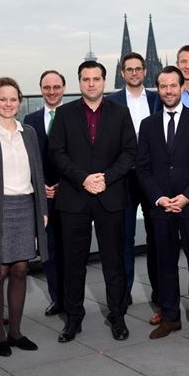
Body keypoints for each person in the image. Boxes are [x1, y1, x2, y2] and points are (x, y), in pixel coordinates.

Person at [49, 60, 137, 343]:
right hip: (74, 198)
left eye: (96, 79)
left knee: (114, 263)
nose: (91, 83)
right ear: (79, 82)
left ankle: (118, 317)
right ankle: (73, 319)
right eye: (85, 79)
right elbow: (57, 152)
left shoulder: (120, 113)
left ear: (104, 81)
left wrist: (106, 178)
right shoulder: (64, 113)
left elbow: (130, 152)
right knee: (73, 263)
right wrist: (83, 179)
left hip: (110, 197)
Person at [0, 77, 48, 357]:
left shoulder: (29, 133)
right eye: (2, 99)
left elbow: (38, 174)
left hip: (25, 207)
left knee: (21, 269)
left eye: (13, 99)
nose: (8, 104)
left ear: (20, 102)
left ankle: (16, 332)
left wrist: (42, 210)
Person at [136, 66, 189, 340]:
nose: (169, 91)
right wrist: (159, 198)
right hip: (161, 207)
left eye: (173, 85)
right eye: (163, 86)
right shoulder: (148, 125)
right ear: (158, 89)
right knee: (165, 263)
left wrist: (186, 197)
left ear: (182, 87)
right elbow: (143, 168)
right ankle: (170, 317)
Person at [106, 53, 163, 324]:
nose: (134, 73)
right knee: (124, 238)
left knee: (157, 236)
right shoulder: (112, 102)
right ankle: (124, 292)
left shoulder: (157, 98)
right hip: (124, 178)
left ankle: (160, 291)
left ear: (145, 71)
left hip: (152, 177)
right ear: (122, 72)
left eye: (138, 68)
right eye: (129, 69)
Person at [23, 70, 67, 317]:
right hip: (41, 195)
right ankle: (56, 298)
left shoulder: (74, 115)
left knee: (70, 249)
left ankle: (71, 298)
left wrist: (63, 183)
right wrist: (40, 186)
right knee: (48, 250)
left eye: (56, 87)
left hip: (69, 192)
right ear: (41, 89)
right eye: (47, 87)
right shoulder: (29, 119)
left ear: (64, 88)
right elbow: (27, 159)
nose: (52, 91)